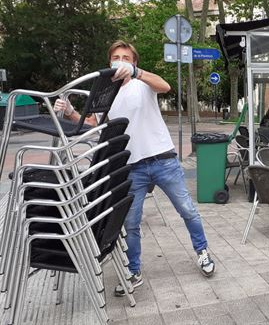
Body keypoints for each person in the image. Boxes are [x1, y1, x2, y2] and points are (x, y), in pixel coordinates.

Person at [53, 40, 216, 296]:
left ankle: (202, 251)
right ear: (109, 62)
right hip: (131, 166)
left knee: (186, 209)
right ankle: (134, 270)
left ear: (134, 62)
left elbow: (165, 86)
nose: (120, 61)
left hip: (162, 159)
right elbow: (94, 124)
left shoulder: (142, 83)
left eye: (126, 57)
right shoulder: (106, 93)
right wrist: (72, 111)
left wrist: (136, 73)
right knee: (131, 221)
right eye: (116, 57)